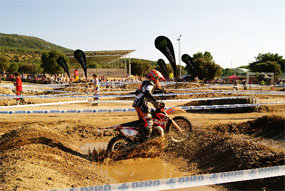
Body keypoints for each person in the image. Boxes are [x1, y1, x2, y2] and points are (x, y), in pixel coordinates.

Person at [132, 69, 166, 139]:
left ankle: (139, 136)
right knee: (149, 122)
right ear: (155, 77)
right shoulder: (151, 83)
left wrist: (154, 99)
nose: (158, 81)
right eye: (158, 79)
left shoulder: (145, 82)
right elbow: (147, 92)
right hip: (141, 104)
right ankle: (145, 140)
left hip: (137, 103)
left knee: (142, 122)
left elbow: (140, 92)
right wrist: (155, 101)